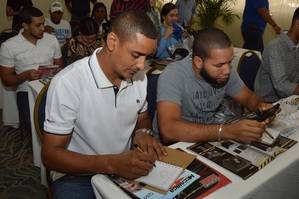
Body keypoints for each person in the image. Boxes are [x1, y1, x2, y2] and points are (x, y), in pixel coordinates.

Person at [41, 10, 166, 199]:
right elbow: (51, 156)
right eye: (136, 55)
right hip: (77, 173)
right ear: (112, 42)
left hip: (122, 165)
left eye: (147, 57)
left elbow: (143, 117)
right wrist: (111, 163)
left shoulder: (139, 77)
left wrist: (143, 133)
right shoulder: (69, 82)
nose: (142, 65)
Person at [154, 28, 274, 144]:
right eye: (219, 65)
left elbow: (248, 98)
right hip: (177, 143)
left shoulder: (225, 71)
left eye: (230, 62)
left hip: (209, 135)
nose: (227, 70)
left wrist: (260, 106)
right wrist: (225, 131)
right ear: (198, 62)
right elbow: (169, 131)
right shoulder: (174, 75)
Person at [0, 7, 63, 135]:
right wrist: (24, 75)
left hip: (51, 87)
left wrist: (53, 72)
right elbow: (6, 80)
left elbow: (60, 67)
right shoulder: (9, 46)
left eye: (43, 24)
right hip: (26, 90)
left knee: (61, 120)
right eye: (38, 25)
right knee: (34, 124)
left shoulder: (51, 40)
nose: (43, 28)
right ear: (25, 25)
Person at [254, 7, 299, 103]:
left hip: (288, 99)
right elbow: (281, 86)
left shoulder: (297, 46)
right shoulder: (275, 47)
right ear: (297, 24)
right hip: (267, 102)